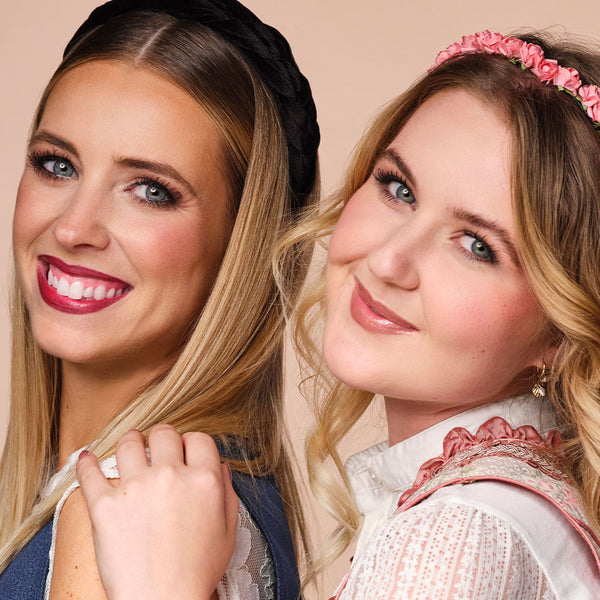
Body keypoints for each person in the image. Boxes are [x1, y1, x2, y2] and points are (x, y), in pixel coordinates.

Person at [77, 29, 600, 599]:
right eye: (398, 189)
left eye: (477, 246)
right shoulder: (511, 507)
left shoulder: (459, 533)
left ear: (561, 328)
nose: (388, 260)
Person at [0, 1, 320, 599]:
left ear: (241, 246)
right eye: (57, 164)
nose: (73, 228)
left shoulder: (118, 510)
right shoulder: (215, 486)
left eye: (151, 191)